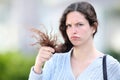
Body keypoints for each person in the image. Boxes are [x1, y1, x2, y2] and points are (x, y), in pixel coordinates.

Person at [28, 1, 120, 80]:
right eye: (69, 26)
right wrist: (38, 66)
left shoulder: (110, 66)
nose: (73, 31)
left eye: (79, 24)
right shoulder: (55, 61)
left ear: (93, 27)